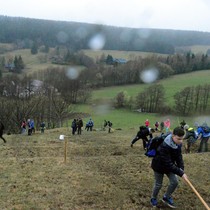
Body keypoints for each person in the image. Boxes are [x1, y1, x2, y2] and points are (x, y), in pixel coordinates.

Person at [150, 127, 187, 208]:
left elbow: (179, 156)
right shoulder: (164, 146)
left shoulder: (178, 144)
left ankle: (166, 197)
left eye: (182, 139)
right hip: (158, 166)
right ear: (173, 135)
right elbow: (168, 163)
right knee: (158, 184)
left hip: (169, 167)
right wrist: (181, 173)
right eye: (179, 139)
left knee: (175, 182)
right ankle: (153, 198)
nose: (181, 141)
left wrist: (181, 168)